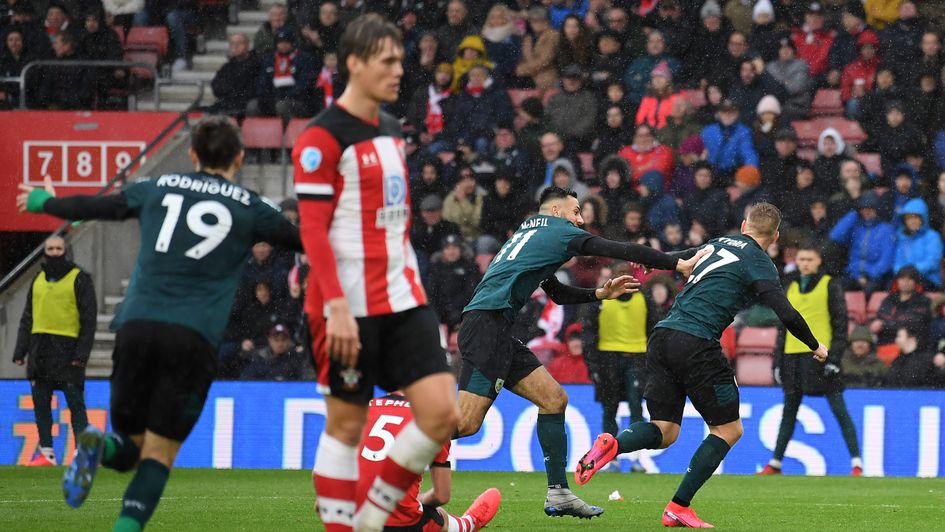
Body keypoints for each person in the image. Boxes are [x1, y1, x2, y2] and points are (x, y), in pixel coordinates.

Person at [17, 116, 302, 529]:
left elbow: (101, 206)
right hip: (193, 337)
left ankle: (101, 447)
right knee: (159, 454)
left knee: (129, 449)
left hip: (136, 327)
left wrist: (47, 202)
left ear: (191, 155)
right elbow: (308, 241)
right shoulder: (249, 206)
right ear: (239, 158)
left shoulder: (157, 188)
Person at [290, 16, 461, 532]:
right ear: (354, 64)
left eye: (399, 60)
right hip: (345, 305)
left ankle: (369, 518)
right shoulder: (319, 139)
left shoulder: (390, 128)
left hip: (401, 296)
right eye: (386, 61)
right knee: (344, 428)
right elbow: (314, 232)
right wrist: (336, 307)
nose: (397, 70)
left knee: (439, 413)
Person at [456, 186, 707, 519]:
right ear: (556, 212)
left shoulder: (529, 234)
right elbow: (621, 247)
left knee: (553, 399)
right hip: (486, 329)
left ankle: (558, 494)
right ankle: (390, 434)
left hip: (493, 328)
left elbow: (557, 292)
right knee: (466, 424)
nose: (580, 219)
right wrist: (677, 263)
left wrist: (601, 292)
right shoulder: (558, 231)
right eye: (575, 212)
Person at [575, 203, 829, 528]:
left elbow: (680, 256)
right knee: (728, 429)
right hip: (696, 341)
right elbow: (786, 312)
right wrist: (815, 345)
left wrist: (651, 262)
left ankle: (614, 444)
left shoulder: (717, 244)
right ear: (775, 236)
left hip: (663, 335)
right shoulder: (759, 262)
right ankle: (678, 506)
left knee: (665, 431)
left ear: (743, 225)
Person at [758, 244, 863, 476]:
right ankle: (775, 463)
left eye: (809, 258)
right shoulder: (791, 286)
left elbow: (840, 325)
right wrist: (777, 361)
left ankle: (857, 462)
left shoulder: (830, 285)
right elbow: (783, 328)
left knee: (839, 409)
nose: (804, 263)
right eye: (802, 259)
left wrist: (835, 358)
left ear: (818, 262)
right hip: (792, 357)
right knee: (789, 411)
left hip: (819, 357)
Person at [356, 392, 501, 532]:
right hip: (398, 522)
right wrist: (422, 500)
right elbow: (442, 495)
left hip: (348, 515)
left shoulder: (360, 410)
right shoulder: (435, 418)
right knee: (434, 514)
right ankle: (469, 524)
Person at [12, 236, 96, 467]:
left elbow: (89, 319)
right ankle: (46, 451)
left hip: (68, 352)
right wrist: (21, 350)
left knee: (75, 404)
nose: (55, 252)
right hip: (40, 351)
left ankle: (82, 452)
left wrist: (82, 354)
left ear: (66, 251)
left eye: (59, 248)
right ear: (45, 251)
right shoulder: (37, 279)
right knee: (41, 403)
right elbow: (28, 317)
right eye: (50, 249)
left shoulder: (80, 278)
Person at [829, 191, 896, 294]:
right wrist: (854, 213)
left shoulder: (886, 229)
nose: (867, 211)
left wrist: (869, 275)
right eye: (863, 208)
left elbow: (886, 261)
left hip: (876, 277)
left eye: (871, 208)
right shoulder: (856, 227)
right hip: (854, 274)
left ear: (877, 209)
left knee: (869, 290)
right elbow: (835, 236)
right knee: (836, 287)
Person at [248, 27, 317, 120]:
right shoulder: (269, 59)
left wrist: (287, 95)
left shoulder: (303, 58)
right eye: (280, 42)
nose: (283, 45)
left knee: (282, 106)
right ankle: (257, 133)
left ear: (292, 43)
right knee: (253, 106)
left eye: (286, 42)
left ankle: (286, 133)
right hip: (273, 99)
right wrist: (267, 97)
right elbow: (262, 81)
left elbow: (305, 83)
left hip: (297, 100)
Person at [424, 234, 481, 331]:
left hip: (464, 314)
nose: (451, 251)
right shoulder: (435, 268)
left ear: (460, 249)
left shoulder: (470, 267)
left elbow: (471, 293)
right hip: (440, 316)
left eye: (455, 247)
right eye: (448, 248)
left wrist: (457, 311)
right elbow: (431, 294)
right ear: (442, 251)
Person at [870, 266, 932, 346]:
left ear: (916, 282)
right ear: (897, 281)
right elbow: (880, 318)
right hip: (885, 340)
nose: (905, 282)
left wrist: (885, 325)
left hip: (911, 343)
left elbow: (915, 324)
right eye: (902, 279)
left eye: (910, 279)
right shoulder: (888, 300)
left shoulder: (923, 301)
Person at [208, 33, 261, 116]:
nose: (235, 46)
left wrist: (230, 89)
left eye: (239, 43)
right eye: (232, 44)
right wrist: (231, 90)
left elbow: (252, 89)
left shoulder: (257, 64)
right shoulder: (227, 67)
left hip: (245, 105)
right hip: (228, 103)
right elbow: (215, 86)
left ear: (247, 45)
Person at [239, 323, 308, 381]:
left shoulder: (296, 358)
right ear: (270, 340)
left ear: (289, 341)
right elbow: (246, 380)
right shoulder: (260, 358)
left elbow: (305, 380)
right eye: (276, 340)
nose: (280, 344)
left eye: (283, 340)